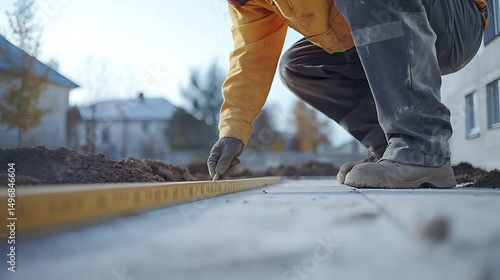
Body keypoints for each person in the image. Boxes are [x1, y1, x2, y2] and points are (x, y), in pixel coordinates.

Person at [207, 0, 488, 188]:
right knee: (299, 66)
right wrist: (232, 131)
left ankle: (423, 146)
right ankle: (393, 150)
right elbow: (250, 61)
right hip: (384, 27)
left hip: (452, 22)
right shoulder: (249, 4)